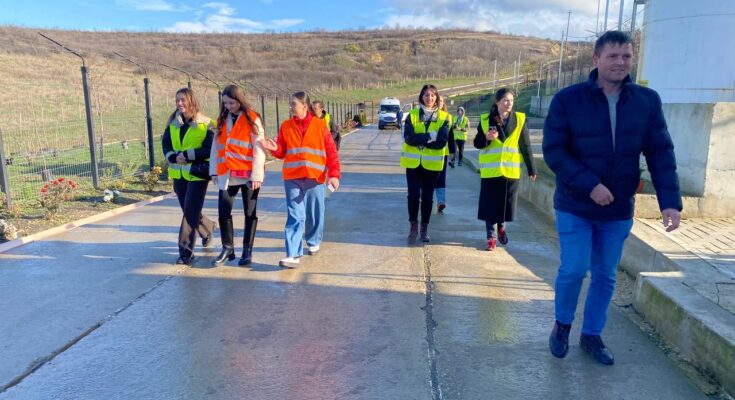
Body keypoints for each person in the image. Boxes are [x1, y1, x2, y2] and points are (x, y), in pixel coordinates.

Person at [543, 30, 682, 365]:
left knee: (605, 275)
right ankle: (562, 325)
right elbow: (554, 151)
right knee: (574, 269)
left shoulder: (647, 101)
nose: (621, 62)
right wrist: (590, 184)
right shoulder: (568, 100)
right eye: (613, 56)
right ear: (596, 59)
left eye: (627, 56)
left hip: (618, 209)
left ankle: (592, 334)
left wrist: (669, 201)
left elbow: (660, 152)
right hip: (576, 205)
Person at [260, 92, 341, 268]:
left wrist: (334, 175)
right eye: (290, 104)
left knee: (314, 212)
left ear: (304, 106)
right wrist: (274, 148)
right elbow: (282, 151)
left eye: (293, 104)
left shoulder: (320, 126)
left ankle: (313, 240)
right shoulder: (286, 126)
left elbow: (331, 152)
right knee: (295, 215)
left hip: (315, 177)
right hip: (293, 177)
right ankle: (293, 254)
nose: (290, 107)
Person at [209, 85, 266, 266]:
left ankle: (247, 251)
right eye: (225, 103)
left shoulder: (253, 119)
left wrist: (257, 175)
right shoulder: (222, 120)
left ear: (240, 101)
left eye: (231, 103)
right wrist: (214, 171)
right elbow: (215, 148)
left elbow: (259, 149)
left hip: (248, 175)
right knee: (223, 212)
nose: (228, 106)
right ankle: (228, 248)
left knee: (250, 213)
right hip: (227, 174)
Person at [474, 88, 537, 251]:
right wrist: (486, 138)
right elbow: (477, 143)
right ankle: (491, 237)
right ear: (497, 102)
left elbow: (525, 145)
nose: (509, 103)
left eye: (511, 100)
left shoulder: (520, 119)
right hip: (491, 170)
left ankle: (501, 228)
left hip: (510, 170)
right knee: (490, 205)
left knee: (505, 205)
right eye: (505, 100)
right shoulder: (486, 119)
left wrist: (532, 168)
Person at [161, 88, 216, 265]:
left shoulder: (207, 123)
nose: (179, 103)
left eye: (183, 100)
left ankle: (186, 253)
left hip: (198, 173)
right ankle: (208, 227)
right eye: (177, 100)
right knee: (189, 211)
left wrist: (188, 155)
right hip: (179, 174)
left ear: (192, 101)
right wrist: (173, 157)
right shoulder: (173, 123)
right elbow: (166, 144)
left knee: (190, 212)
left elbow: (210, 148)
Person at [400, 84, 449, 242]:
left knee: (427, 198)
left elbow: (441, 142)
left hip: (432, 166)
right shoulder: (412, 115)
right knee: (413, 196)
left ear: (436, 97)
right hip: (413, 164)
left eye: (433, 95)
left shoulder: (444, 117)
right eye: (427, 95)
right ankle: (413, 226)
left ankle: (424, 228)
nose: (429, 98)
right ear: (421, 96)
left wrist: (420, 140)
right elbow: (409, 138)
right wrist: (429, 136)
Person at [434, 96, 452, 214]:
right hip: (429, 152)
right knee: (427, 177)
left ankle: (441, 201)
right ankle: (425, 197)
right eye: (437, 101)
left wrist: (452, 151)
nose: (439, 103)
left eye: (441, 101)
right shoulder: (428, 115)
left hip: (443, 152)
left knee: (441, 177)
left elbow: (450, 135)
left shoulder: (448, 117)